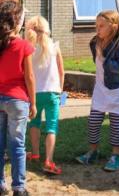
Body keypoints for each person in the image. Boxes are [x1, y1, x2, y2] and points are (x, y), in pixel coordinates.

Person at [75, 10, 119, 172]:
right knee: (93, 122)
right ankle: (93, 151)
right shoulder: (95, 42)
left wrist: (106, 60)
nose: (97, 29)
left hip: (116, 90)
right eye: (96, 25)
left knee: (116, 124)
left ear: (113, 27)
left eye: (101, 26)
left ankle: (116, 155)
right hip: (100, 89)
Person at [0, 1, 36, 196]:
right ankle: (19, 188)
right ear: (18, 21)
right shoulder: (23, 46)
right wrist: (33, 102)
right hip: (17, 100)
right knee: (17, 145)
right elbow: (29, 77)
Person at [25, 16, 64, 175]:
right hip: (52, 93)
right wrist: (60, 90)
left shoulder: (28, 48)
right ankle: (49, 160)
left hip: (33, 94)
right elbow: (61, 71)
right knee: (51, 126)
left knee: (34, 123)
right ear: (47, 29)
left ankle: (35, 153)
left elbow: (25, 73)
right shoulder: (54, 46)